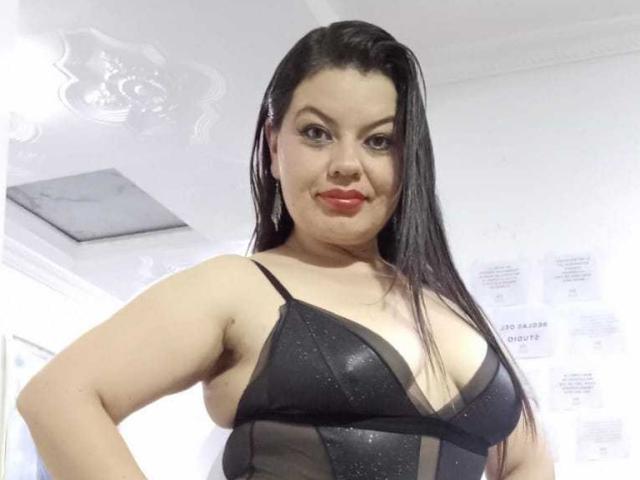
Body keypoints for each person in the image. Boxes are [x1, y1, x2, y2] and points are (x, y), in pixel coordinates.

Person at [16, 20, 554, 480]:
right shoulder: (236, 287)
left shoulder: (448, 306)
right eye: (317, 133)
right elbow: (59, 397)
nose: (347, 164)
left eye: (378, 140)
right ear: (275, 147)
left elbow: (525, 460)